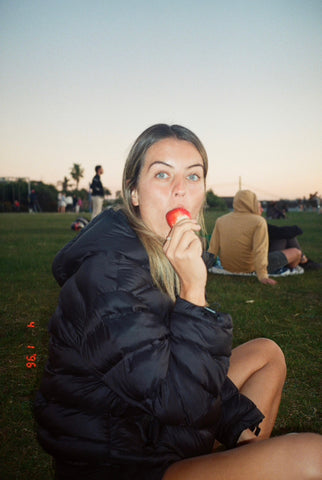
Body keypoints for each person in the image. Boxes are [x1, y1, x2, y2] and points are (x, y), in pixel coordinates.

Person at [34, 125, 322, 480]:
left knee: (267, 353)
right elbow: (183, 404)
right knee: (311, 459)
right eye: (162, 174)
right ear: (133, 192)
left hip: (155, 427)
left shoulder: (156, 250)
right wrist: (194, 293)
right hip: (123, 460)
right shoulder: (109, 274)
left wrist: (244, 436)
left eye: (193, 176)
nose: (180, 190)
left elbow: (185, 363)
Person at [208, 190, 305, 285]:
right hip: (252, 268)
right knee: (297, 253)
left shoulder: (221, 220)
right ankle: (292, 267)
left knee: (283, 242)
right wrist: (263, 276)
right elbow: (260, 250)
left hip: (228, 266)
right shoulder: (258, 221)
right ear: (253, 202)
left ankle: (293, 263)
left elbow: (213, 249)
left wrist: (205, 267)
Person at [259, 202, 322, 271]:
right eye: (260, 208)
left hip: (259, 256)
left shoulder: (251, 221)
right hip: (260, 262)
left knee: (284, 235)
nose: (262, 210)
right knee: (284, 236)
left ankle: (304, 261)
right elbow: (275, 231)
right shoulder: (257, 223)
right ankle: (304, 261)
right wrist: (296, 229)